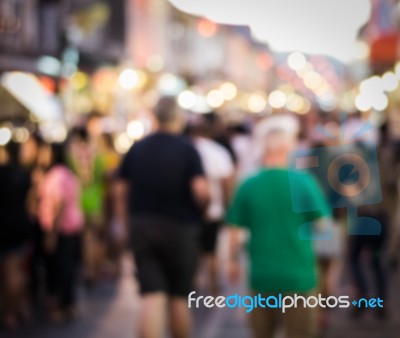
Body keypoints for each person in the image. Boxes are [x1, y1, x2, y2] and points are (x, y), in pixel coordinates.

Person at [227, 116, 331, 338]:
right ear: (286, 147)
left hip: (262, 275)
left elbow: (234, 231)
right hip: (299, 275)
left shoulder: (248, 185)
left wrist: (233, 262)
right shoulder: (304, 183)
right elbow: (324, 225)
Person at [116, 96, 209, 338]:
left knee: (152, 294)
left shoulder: (138, 147)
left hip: (143, 225)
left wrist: (125, 224)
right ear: (179, 117)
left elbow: (119, 191)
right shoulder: (188, 149)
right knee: (178, 298)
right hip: (181, 227)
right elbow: (201, 191)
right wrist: (203, 212)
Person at [188, 114, 235, 296]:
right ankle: (213, 287)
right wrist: (226, 204)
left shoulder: (189, 149)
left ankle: (192, 283)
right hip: (213, 209)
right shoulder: (218, 152)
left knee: (193, 250)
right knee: (211, 250)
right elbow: (226, 181)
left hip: (190, 210)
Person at [38, 142, 83, 322]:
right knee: (68, 268)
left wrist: (52, 234)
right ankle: (68, 303)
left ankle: (63, 304)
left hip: (62, 228)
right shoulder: (67, 173)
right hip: (72, 226)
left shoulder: (56, 175)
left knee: (61, 269)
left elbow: (58, 203)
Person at [0, 142, 31, 329]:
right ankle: (18, 308)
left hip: (3, 226)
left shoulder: (2, 173)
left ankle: (10, 311)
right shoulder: (24, 173)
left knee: (7, 273)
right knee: (16, 270)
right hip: (20, 224)